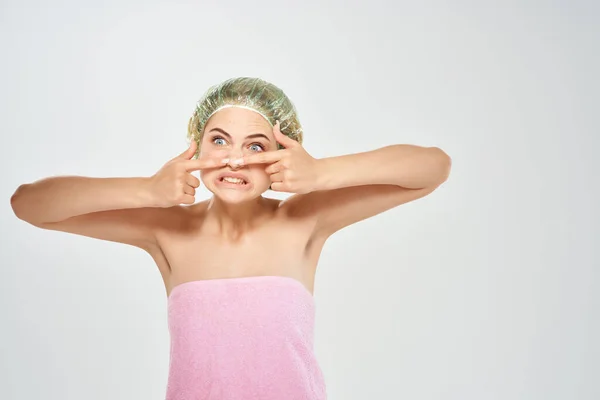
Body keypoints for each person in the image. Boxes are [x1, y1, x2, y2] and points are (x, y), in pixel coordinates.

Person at [10, 77, 452, 399]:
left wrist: (322, 174)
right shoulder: (167, 230)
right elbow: (29, 205)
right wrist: (147, 189)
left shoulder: (304, 220)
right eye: (219, 140)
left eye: (257, 146)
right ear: (195, 148)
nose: (236, 160)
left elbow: (432, 168)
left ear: (283, 153)